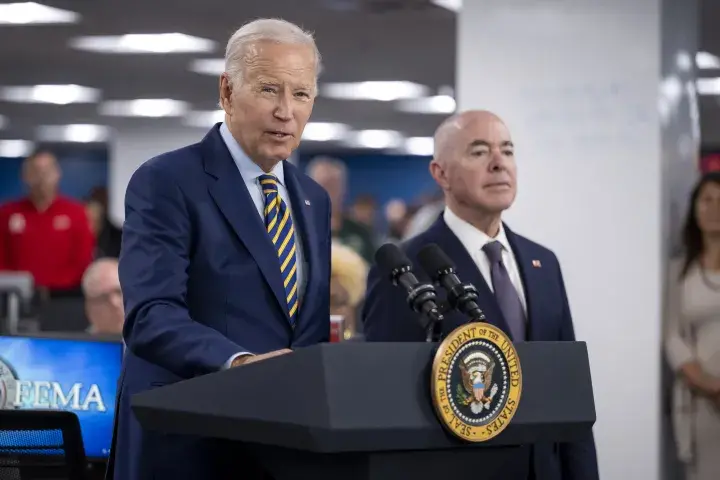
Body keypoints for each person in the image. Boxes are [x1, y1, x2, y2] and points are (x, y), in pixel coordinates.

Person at [109, 18, 331, 480]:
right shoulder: (167, 181)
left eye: (302, 94)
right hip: (188, 445)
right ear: (227, 92)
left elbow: (301, 331)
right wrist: (241, 365)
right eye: (270, 90)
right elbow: (150, 314)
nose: (286, 111)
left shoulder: (314, 199)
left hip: (281, 448)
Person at [362, 110, 599, 480]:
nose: (498, 164)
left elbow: (569, 392)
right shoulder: (404, 270)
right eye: (478, 152)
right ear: (440, 174)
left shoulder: (543, 263)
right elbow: (383, 402)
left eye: (507, 150)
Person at [664, 172, 720, 480]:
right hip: (701, 402)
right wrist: (711, 385)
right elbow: (673, 337)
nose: (715, 208)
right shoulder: (679, 271)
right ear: (695, 209)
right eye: (707, 200)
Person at [0, 150, 94, 293]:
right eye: (35, 171)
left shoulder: (76, 212)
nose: (41, 177)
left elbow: (83, 259)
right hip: (16, 295)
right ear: (24, 176)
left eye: (47, 171)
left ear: (58, 174)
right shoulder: (7, 213)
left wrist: (57, 285)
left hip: (65, 296)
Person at [307, 156, 376, 263]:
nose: (326, 192)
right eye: (321, 185)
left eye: (333, 186)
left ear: (344, 190)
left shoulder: (360, 233)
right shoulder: (296, 230)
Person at [81, 257, 123, 337]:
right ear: (89, 308)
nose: (114, 303)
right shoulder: (81, 347)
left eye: (119, 292)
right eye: (104, 297)